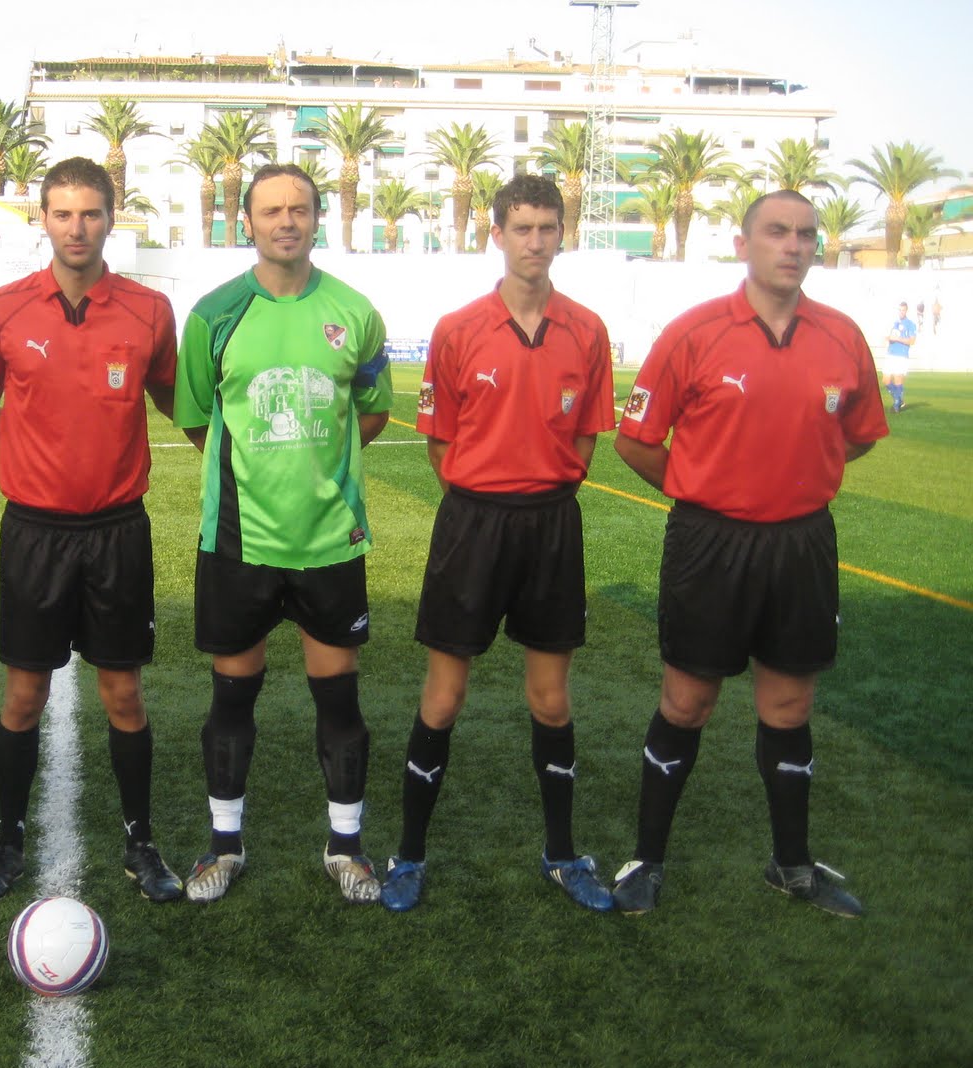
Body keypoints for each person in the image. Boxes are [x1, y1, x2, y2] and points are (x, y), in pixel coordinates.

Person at [609, 190, 890, 918]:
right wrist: (708, 489)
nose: (792, 246)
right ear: (744, 244)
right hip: (711, 541)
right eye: (776, 232)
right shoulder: (694, 332)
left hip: (802, 541)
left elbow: (857, 432)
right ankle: (648, 858)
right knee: (688, 699)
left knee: (791, 703)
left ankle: (792, 866)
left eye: (805, 234)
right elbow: (635, 440)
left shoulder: (842, 337)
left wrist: (796, 475)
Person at [382, 174, 616, 914]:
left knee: (550, 701)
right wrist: (483, 495)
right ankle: (409, 855)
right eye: (523, 229)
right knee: (444, 698)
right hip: (472, 525)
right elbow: (439, 445)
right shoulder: (459, 329)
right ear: (498, 235)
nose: (536, 242)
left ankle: (560, 853)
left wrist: (542, 489)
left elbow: (586, 437)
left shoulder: (588, 330)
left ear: (562, 235)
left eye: (548, 229)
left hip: (551, 525)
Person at [0, 157, 184, 905]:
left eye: (90, 213)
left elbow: (180, 401)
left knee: (123, 693)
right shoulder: (0, 310)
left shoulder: (150, 311)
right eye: (62, 214)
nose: (76, 227)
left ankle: (141, 842)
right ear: (42, 220)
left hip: (118, 532)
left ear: (111, 218)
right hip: (34, 535)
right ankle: (7, 841)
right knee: (23, 697)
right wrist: (25, 440)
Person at [172, 163, 393, 904]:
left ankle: (348, 847)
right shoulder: (214, 314)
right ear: (248, 221)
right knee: (233, 698)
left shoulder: (355, 312)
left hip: (330, 541)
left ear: (317, 218)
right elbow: (200, 419)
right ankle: (224, 846)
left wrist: (319, 470)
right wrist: (258, 473)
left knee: (340, 703)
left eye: (299, 208)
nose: (286, 221)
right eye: (271, 210)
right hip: (239, 542)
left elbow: (371, 409)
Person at [883, 301, 915, 413]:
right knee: (885, 380)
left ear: (906, 311)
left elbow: (912, 341)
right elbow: (888, 336)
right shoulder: (893, 323)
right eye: (899, 310)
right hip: (890, 354)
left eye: (903, 310)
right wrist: (887, 339)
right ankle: (900, 400)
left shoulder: (910, 324)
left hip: (901, 356)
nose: (901, 312)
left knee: (897, 379)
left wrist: (898, 339)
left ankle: (896, 405)